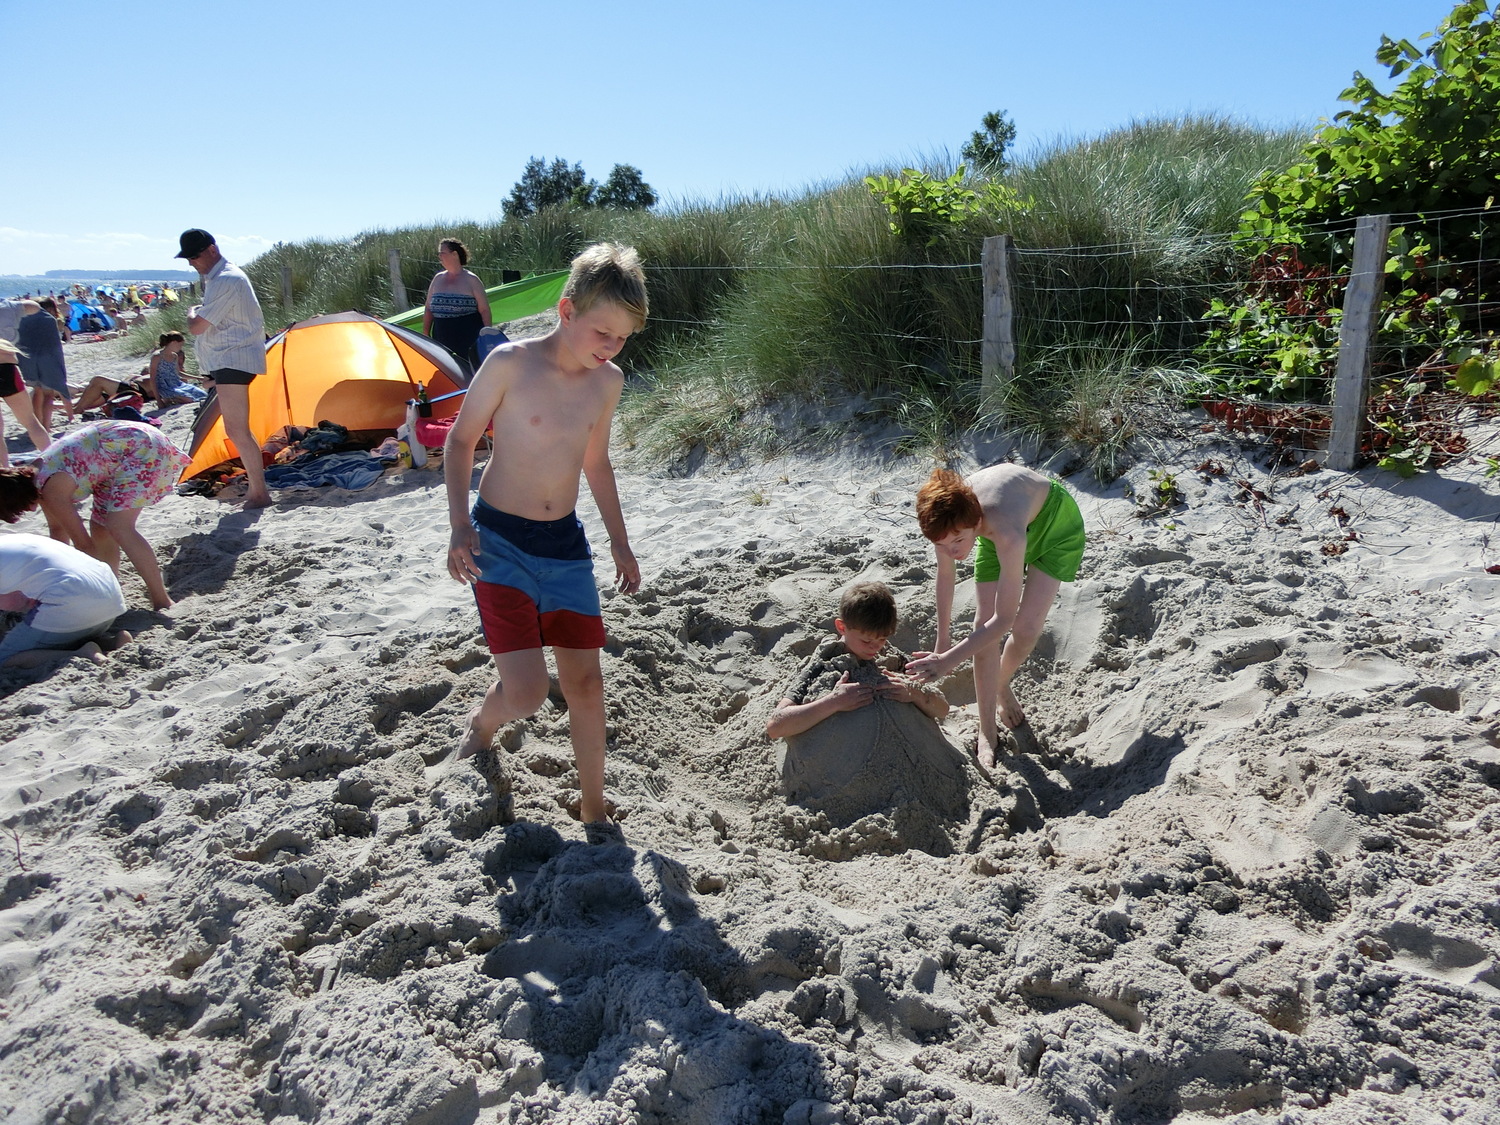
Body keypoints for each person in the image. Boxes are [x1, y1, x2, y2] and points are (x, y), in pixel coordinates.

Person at [443, 242, 644, 842]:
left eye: (622, 338)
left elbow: (596, 463)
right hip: (499, 541)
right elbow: (460, 441)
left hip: (565, 547)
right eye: (602, 332)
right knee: (527, 693)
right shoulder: (510, 362)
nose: (611, 347)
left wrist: (620, 543)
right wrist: (459, 525)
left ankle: (593, 808)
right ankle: (482, 726)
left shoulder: (608, 382)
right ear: (566, 310)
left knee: (586, 682)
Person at [906, 465, 1086, 766]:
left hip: (1055, 526)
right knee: (982, 626)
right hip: (993, 532)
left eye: (958, 542)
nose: (952, 552)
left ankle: (999, 682)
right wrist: (942, 642)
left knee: (1026, 630)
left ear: (975, 522)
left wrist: (948, 661)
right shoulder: (947, 525)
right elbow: (946, 575)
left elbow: (1004, 620)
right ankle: (987, 731)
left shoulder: (1004, 532)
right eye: (941, 545)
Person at [0, 419, 191, 611]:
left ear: (17, 498)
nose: (29, 511)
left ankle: (161, 600)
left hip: (138, 446)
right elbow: (58, 531)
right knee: (100, 528)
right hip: (113, 460)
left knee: (119, 527)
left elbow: (84, 545)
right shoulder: (34, 478)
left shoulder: (51, 491)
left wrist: (83, 586)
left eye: (20, 508)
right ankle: (111, 587)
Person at [767, 580, 948, 740]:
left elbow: (943, 710)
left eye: (882, 639)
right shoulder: (823, 662)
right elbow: (775, 726)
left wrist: (914, 693)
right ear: (842, 627)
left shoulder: (890, 656)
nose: (875, 648)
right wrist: (833, 702)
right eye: (866, 641)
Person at [178, 228, 271, 508]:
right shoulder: (220, 278)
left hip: (234, 358)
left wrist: (191, 312)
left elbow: (197, 327)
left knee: (237, 430)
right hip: (229, 359)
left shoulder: (226, 279)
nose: (192, 263)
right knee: (237, 429)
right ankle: (257, 491)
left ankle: (259, 493)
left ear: (212, 250)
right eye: (188, 258)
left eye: (194, 256)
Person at [0, 533, 130, 668]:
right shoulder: (13, 541)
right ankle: (113, 643)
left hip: (72, 600)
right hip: (111, 597)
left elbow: (12, 602)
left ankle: (81, 654)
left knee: (4, 658)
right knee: (58, 635)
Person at [422, 238, 491, 376]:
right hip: (441, 336)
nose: (439, 256)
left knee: (470, 373)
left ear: (455, 254)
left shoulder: (471, 280)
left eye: (442, 253)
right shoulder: (437, 279)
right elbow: (428, 308)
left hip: (467, 337)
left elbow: (484, 310)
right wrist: (425, 333)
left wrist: (487, 335)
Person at [16, 298, 74, 431]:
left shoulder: (22, 319)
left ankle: (37, 426)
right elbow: (55, 346)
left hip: (28, 361)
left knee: (37, 392)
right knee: (48, 394)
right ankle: (46, 427)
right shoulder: (49, 320)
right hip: (48, 360)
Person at [0, 337, 53, 467]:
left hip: (6, 368)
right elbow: (13, 358)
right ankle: (53, 460)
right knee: (31, 422)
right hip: (7, 370)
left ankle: (5, 469)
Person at [143, 332, 205, 405]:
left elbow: (178, 373)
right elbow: (153, 378)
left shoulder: (175, 356)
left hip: (178, 384)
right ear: (173, 343)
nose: (180, 347)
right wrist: (159, 401)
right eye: (180, 345)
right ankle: (169, 400)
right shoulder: (157, 356)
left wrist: (198, 378)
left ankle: (172, 399)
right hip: (165, 387)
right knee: (189, 399)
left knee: (202, 395)